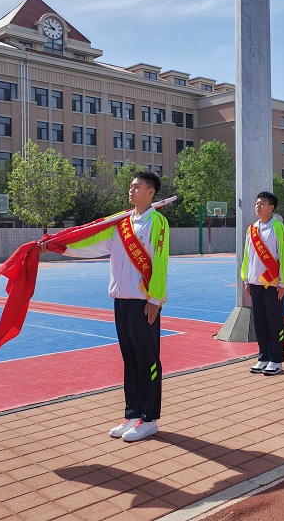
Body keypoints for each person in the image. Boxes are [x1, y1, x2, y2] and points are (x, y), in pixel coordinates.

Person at [48, 171, 169, 442]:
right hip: (121, 300)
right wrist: (62, 247)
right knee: (130, 359)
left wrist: (155, 299)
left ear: (150, 192)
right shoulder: (121, 223)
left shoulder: (157, 222)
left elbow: (160, 260)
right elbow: (94, 244)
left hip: (143, 302)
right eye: (131, 185)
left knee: (147, 360)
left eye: (137, 186)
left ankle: (149, 419)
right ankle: (133, 413)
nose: (132, 189)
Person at [241, 191, 284, 376]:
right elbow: (247, 256)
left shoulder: (279, 228)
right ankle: (263, 356)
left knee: (275, 322)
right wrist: (246, 279)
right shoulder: (251, 229)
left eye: (262, 204)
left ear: (271, 208)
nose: (258, 206)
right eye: (257, 203)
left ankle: (276, 359)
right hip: (255, 283)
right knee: (260, 322)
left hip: (273, 285)